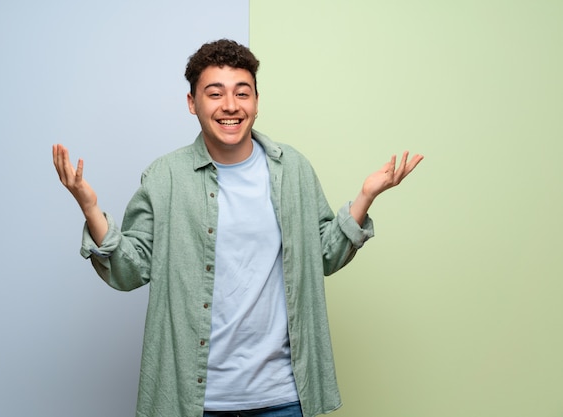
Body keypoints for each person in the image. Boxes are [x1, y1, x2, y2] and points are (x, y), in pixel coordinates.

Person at [53, 39, 423, 417]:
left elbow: (324, 256)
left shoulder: (292, 168)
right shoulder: (165, 177)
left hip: (282, 396)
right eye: (215, 93)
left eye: (242, 93)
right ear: (192, 103)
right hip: (193, 400)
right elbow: (130, 270)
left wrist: (365, 197)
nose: (230, 105)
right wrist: (90, 206)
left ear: (256, 102)